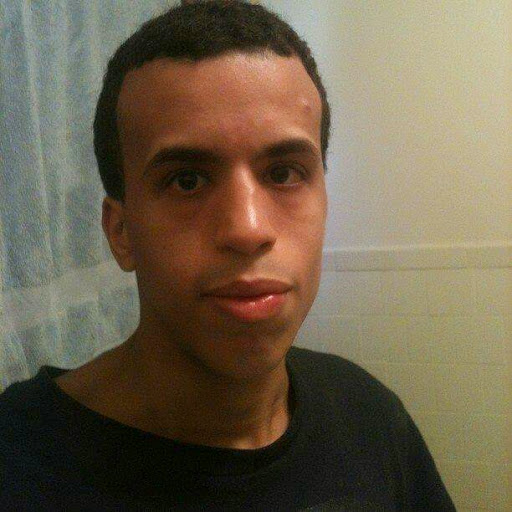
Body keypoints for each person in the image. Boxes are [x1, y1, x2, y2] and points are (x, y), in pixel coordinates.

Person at [0, 1, 456, 510]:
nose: (248, 229)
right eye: (187, 181)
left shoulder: (369, 416)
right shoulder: (18, 460)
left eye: (283, 173)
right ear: (121, 232)